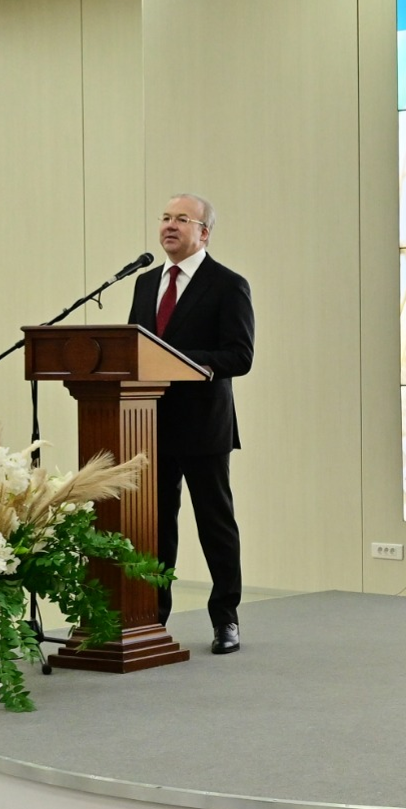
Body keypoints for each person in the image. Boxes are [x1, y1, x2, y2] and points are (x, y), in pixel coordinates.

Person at [129, 194, 255, 654]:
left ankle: (226, 619)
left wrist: (175, 359)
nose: (170, 225)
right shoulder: (145, 283)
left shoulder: (228, 284)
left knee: (215, 525)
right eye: (165, 218)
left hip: (204, 426)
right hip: (148, 424)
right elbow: (133, 349)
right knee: (156, 528)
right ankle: (152, 618)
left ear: (204, 232)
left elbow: (239, 356)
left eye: (182, 219)